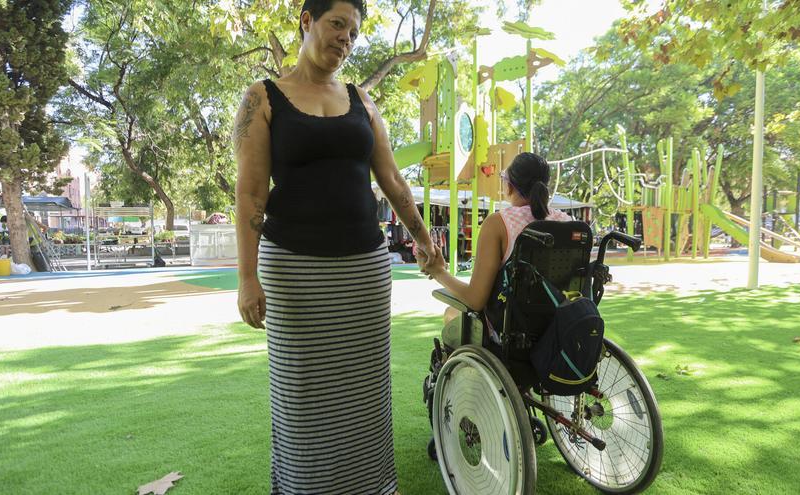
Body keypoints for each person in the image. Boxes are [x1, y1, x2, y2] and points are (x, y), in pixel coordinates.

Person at [232, 1, 435, 493]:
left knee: (365, 387)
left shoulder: (362, 100)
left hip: (364, 265)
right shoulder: (262, 98)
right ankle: (306, 485)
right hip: (294, 269)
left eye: (353, 32)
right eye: (336, 25)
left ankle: (370, 485)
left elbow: (390, 178)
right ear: (307, 22)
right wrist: (246, 277)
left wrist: (423, 235)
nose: (345, 39)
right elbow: (251, 192)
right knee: (301, 391)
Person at [418, 152, 572, 349]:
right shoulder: (567, 222)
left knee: (451, 314)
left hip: (512, 334)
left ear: (509, 186)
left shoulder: (499, 223)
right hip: (557, 328)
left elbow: (475, 300)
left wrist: (438, 271)